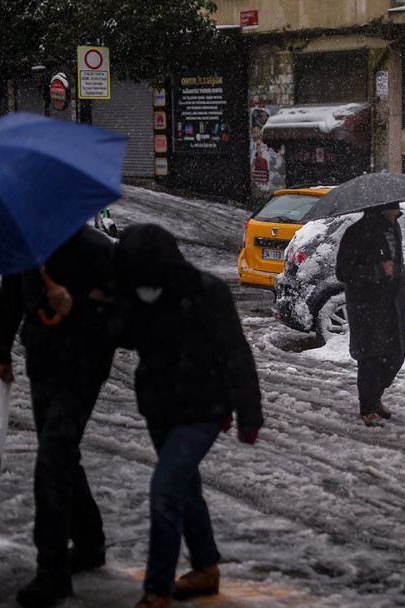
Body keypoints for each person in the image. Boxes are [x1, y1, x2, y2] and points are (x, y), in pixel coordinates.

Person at [111, 224, 264, 608]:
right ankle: (206, 568)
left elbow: (237, 353)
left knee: (165, 490)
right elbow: (126, 336)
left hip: (204, 409)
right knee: (185, 488)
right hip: (159, 407)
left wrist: (249, 413)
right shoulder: (141, 293)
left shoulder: (209, 291)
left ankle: (158, 590)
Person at [0, 226, 118, 607]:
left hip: (83, 368)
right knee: (60, 454)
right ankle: (90, 543)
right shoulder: (27, 246)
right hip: (42, 363)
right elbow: (10, 295)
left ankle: (52, 570)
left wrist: (75, 305)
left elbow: (119, 315)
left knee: (53, 457)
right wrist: (1, 350)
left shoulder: (97, 250)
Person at [335, 201, 405, 426]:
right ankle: (367, 407)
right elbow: (343, 272)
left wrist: (403, 284)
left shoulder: (393, 228)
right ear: (384, 209)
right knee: (370, 356)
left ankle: (375, 396)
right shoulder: (356, 232)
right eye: (394, 208)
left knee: (395, 352)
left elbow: (397, 263)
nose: (398, 212)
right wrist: (377, 270)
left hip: (391, 302)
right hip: (366, 305)